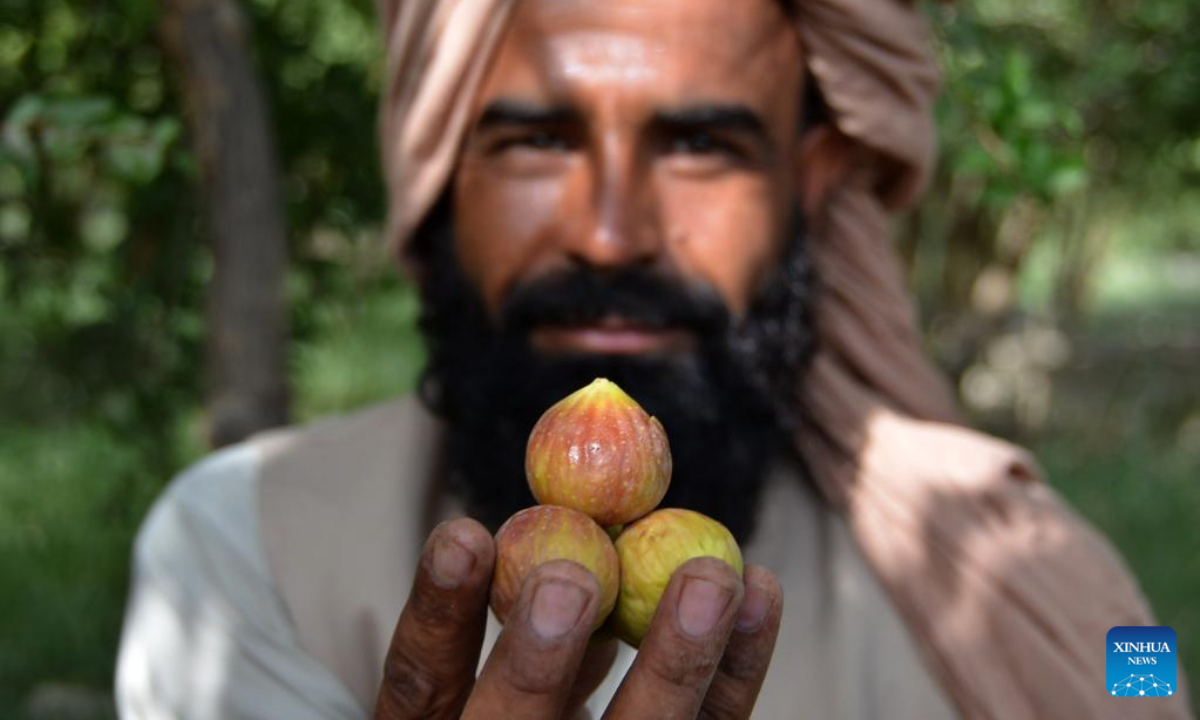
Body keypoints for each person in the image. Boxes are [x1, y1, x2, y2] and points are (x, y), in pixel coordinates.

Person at [116, 0, 1193, 718]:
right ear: (440, 172)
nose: (611, 232)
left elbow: (1147, 689)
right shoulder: (234, 554)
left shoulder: (1044, 570)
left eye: (697, 143)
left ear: (811, 177)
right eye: (537, 140)